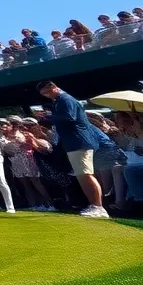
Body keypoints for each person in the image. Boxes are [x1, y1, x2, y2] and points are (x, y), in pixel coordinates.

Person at [37, 80, 107, 218]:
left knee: (85, 174)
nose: (46, 95)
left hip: (79, 141)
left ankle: (98, 207)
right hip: (73, 142)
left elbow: (69, 117)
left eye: (47, 92)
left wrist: (47, 117)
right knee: (82, 175)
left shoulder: (65, 99)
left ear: (53, 87)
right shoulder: (59, 100)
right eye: (43, 94)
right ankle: (94, 205)